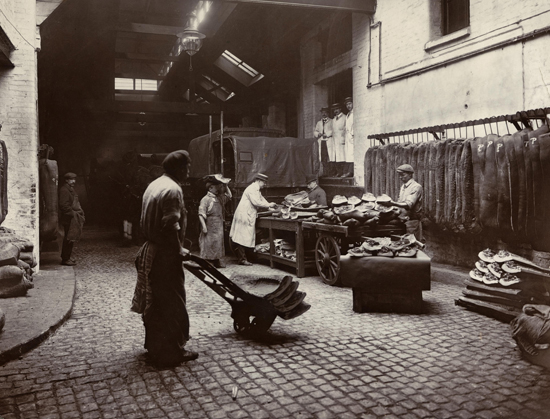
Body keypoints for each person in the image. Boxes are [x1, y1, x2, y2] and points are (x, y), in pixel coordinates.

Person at [131, 150, 198, 367]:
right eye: (187, 167)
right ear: (179, 168)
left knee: (156, 302)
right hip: (165, 254)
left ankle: (155, 347)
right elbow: (170, 224)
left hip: (153, 249)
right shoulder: (172, 190)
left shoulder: (155, 184)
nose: (188, 171)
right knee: (172, 302)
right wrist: (178, 249)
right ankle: (172, 352)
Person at [230, 173, 276, 265]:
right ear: (259, 181)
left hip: (247, 215)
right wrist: (269, 205)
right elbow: (256, 202)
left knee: (245, 237)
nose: (265, 184)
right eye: (264, 182)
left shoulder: (256, 189)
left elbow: (261, 199)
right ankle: (242, 259)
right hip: (244, 215)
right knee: (242, 237)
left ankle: (246, 258)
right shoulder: (252, 189)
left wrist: (270, 208)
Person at [198, 174, 232, 268]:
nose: (218, 189)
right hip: (210, 225)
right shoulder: (205, 199)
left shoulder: (219, 198)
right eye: (216, 187)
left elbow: (229, 196)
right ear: (210, 188)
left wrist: (226, 185)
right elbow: (201, 214)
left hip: (219, 225)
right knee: (209, 243)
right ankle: (209, 262)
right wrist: (204, 227)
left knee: (218, 243)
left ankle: (217, 260)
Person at [387, 164, 423, 240]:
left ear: (410, 174)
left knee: (412, 243)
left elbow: (408, 204)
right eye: (399, 175)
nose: (400, 177)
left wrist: (392, 203)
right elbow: (400, 201)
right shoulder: (403, 187)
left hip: (412, 222)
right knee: (402, 243)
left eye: (402, 175)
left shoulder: (416, 187)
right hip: (403, 220)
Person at [58, 172, 85, 266]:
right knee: (68, 238)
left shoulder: (70, 189)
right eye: (71, 179)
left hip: (71, 218)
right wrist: (73, 214)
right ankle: (65, 259)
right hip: (68, 218)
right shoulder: (64, 190)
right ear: (66, 180)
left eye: (74, 179)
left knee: (71, 238)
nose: (73, 181)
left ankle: (67, 257)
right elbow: (63, 206)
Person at [331, 102, 346, 174]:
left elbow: (346, 129)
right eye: (334, 110)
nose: (335, 111)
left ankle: (344, 172)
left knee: (343, 156)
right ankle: (339, 172)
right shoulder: (334, 119)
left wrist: (343, 138)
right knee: (337, 157)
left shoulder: (344, 117)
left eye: (337, 109)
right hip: (335, 140)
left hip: (342, 139)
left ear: (340, 109)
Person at [343, 96, 354, 177]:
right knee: (348, 154)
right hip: (348, 137)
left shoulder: (355, 113)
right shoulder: (348, 114)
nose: (348, 106)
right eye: (347, 104)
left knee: (352, 154)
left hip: (352, 136)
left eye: (350, 103)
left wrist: (352, 134)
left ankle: (350, 172)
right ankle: (348, 171)